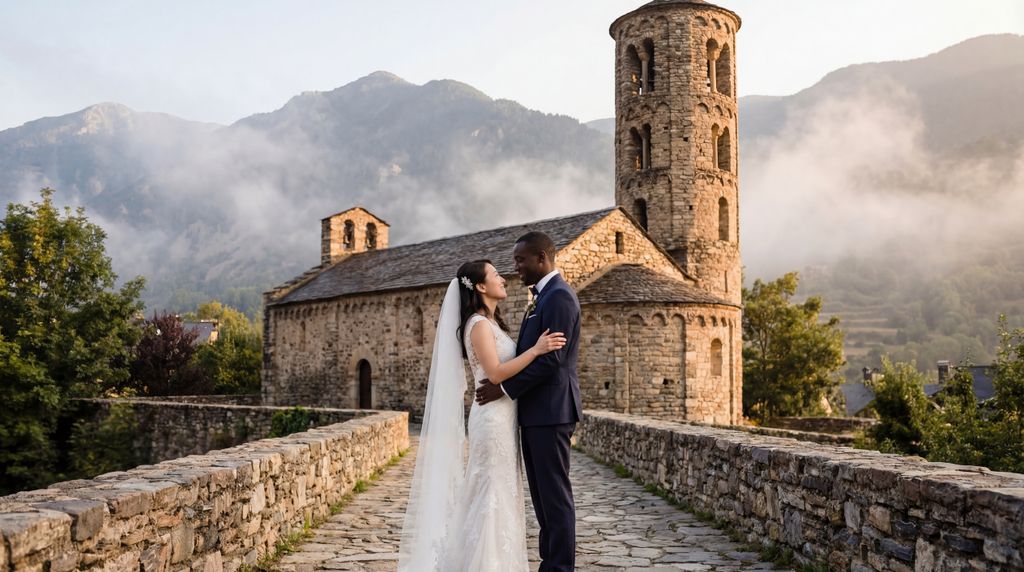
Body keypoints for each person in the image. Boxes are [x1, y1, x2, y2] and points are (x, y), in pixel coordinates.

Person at [397, 258, 566, 571]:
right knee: (490, 493)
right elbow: (496, 373)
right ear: (480, 286)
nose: (503, 278)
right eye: (496, 275)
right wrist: (537, 349)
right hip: (491, 422)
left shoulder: (491, 323)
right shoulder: (477, 325)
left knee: (501, 492)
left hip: (503, 419)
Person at [476, 231, 583, 572]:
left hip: (551, 412)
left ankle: (560, 568)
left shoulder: (559, 298)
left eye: (521, 260)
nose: (516, 267)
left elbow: (551, 360)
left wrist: (504, 389)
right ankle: (549, 564)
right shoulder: (542, 297)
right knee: (542, 498)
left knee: (555, 497)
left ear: (542, 258)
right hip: (537, 413)